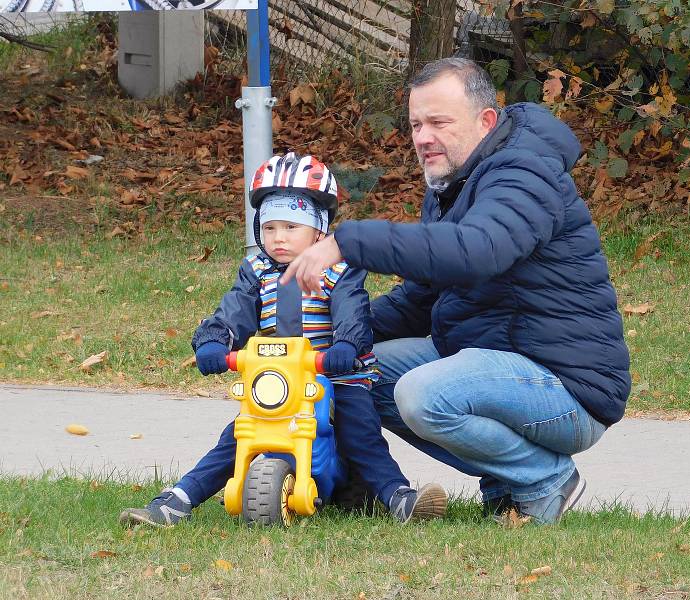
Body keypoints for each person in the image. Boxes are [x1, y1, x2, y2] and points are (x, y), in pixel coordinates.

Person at [281, 58, 631, 525]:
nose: (424, 137)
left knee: (423, 393)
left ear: (486, 122)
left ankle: (543, 478)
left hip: (567, 389)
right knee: (360, 374)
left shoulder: (523, 174)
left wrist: (350, 241)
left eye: (439, 122)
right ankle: (504, 485)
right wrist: (326, 334)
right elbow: (423, 297)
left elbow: (478, 250)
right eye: (416, 124)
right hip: (499, 364)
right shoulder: (453, 183)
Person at [119, 152, 447, 528]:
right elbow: (235, 311)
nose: (279, 238)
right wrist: (214, 342)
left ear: (319, 229)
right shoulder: (256, 271)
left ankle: (399, 497)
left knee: (360, 434)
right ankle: (175, 501)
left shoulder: (339, 268)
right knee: (238, 436)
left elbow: (352, 312)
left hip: (336, 375)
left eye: (291, 228)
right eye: (270, 227)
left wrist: (346, 346)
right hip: (277, 379)